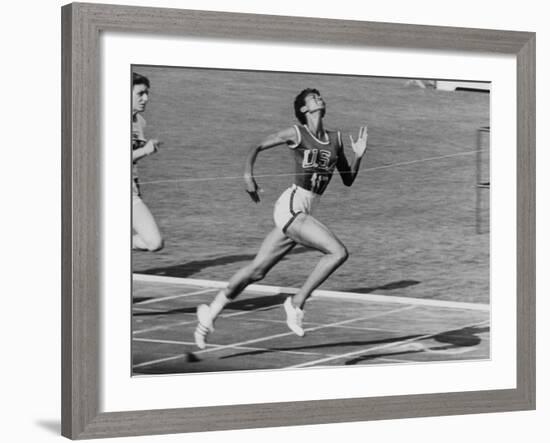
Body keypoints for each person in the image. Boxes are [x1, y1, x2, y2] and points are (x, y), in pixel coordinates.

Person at [194, 88, 368, 349]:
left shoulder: (336, 139)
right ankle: (296, 302)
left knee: (257, 271)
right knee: (337, 252)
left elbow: (348, 180)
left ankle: (210, 312)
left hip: (305, 212)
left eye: (320, 96)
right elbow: (257, 146)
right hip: (291, 206)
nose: (319, 99)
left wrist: (359, 156)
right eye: (313, 97)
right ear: (303, 109)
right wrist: (247, 175)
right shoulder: (297, 133)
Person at [132, 72, 164, 251]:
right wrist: (144, 150)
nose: (146, 98)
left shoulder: (140, 122)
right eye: (140, 93)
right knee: (154, 242)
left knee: (155, 242)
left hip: (132, 187)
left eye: (147, 94)